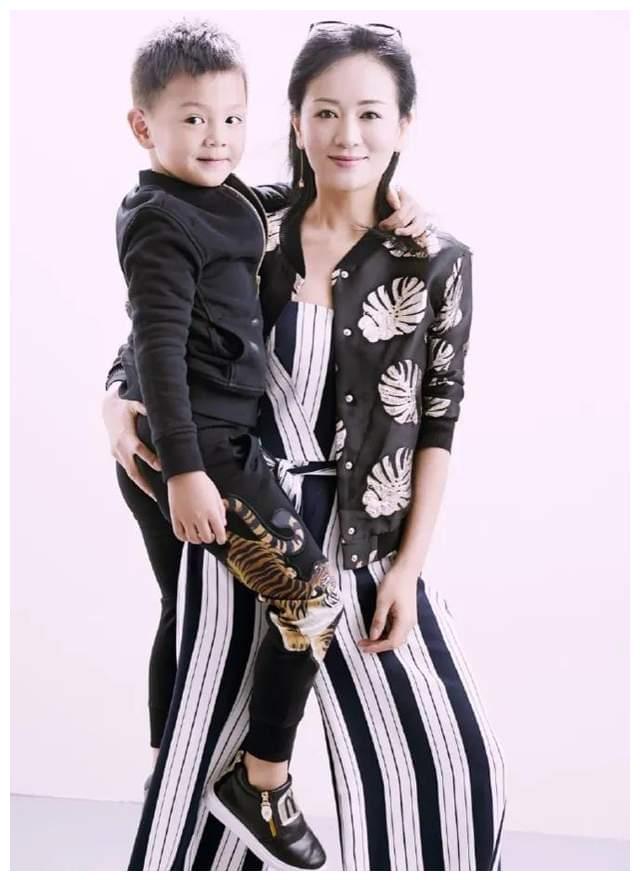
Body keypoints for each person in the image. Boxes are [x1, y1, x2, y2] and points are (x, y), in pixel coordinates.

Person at [104, 20, 506, 871]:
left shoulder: (434, 260)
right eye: (325, 112)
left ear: (403, 125)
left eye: (370, 113)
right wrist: (114, 401)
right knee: (199, 756)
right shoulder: (248, 218)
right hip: (234, 512)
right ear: (294, 121)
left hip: (363, 536)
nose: (346, 134)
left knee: (449, 761)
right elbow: (158, 334)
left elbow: (439, 421)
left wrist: (407, 568)